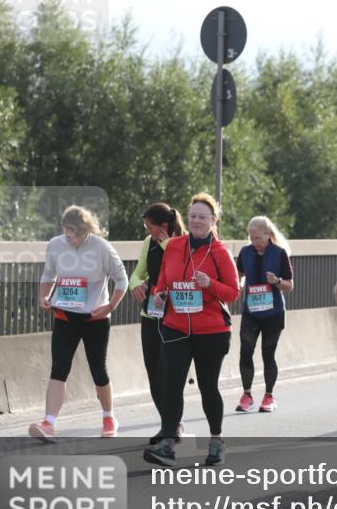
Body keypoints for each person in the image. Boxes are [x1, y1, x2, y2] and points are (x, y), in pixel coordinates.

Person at [144, 193, 240, 467]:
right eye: (193, 216)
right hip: (175, 326)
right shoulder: (174, 247)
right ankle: (167, 443)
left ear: (213, 221)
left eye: (203, 217)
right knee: (171, 384)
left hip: (211, 331)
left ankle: (216, 439)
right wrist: (160, 293)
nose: (197, 221)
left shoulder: (220, 252)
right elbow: (162, 280)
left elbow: (233, 293)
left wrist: (210, 283)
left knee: (208, 386)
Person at [29, 206, 128, 441]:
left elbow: (121, 279)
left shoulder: (101, 247)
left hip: (95, 317)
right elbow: (48, 274)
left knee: (98, 370)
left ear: (85, 231)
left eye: (72, 235)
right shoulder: (55, 245)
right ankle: (49, 423)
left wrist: (110, 306)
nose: (69, 239)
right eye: (65, 234)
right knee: (59, 368)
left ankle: (108, 417)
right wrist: (44, 296)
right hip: (65, 314)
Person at [129, 203, 187, 444]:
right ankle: (169, 424)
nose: (147, 230)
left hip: (176, 316)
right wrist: (136, 285)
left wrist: (165, 244)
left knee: (170, 372)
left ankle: (172, 426)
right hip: (151, 313)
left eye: (149, 226)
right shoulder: (147, 242)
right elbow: (138, 272)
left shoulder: (183, 242)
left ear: (164, 226)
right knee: (153, 372)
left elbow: (185, 270)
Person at [234, 217, 294, 413]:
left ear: (268, 235)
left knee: (268, 354)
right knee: (245, 351)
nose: (254, 242)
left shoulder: (279, 253)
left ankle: (269, 396)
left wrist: (276, 281)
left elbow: (289, 285)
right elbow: (239, 274)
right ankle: (247, 395)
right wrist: (240, 286)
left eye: (258, 238)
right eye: (251, 238)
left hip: (273, 313)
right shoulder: (245, 252)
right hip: (251, 312)